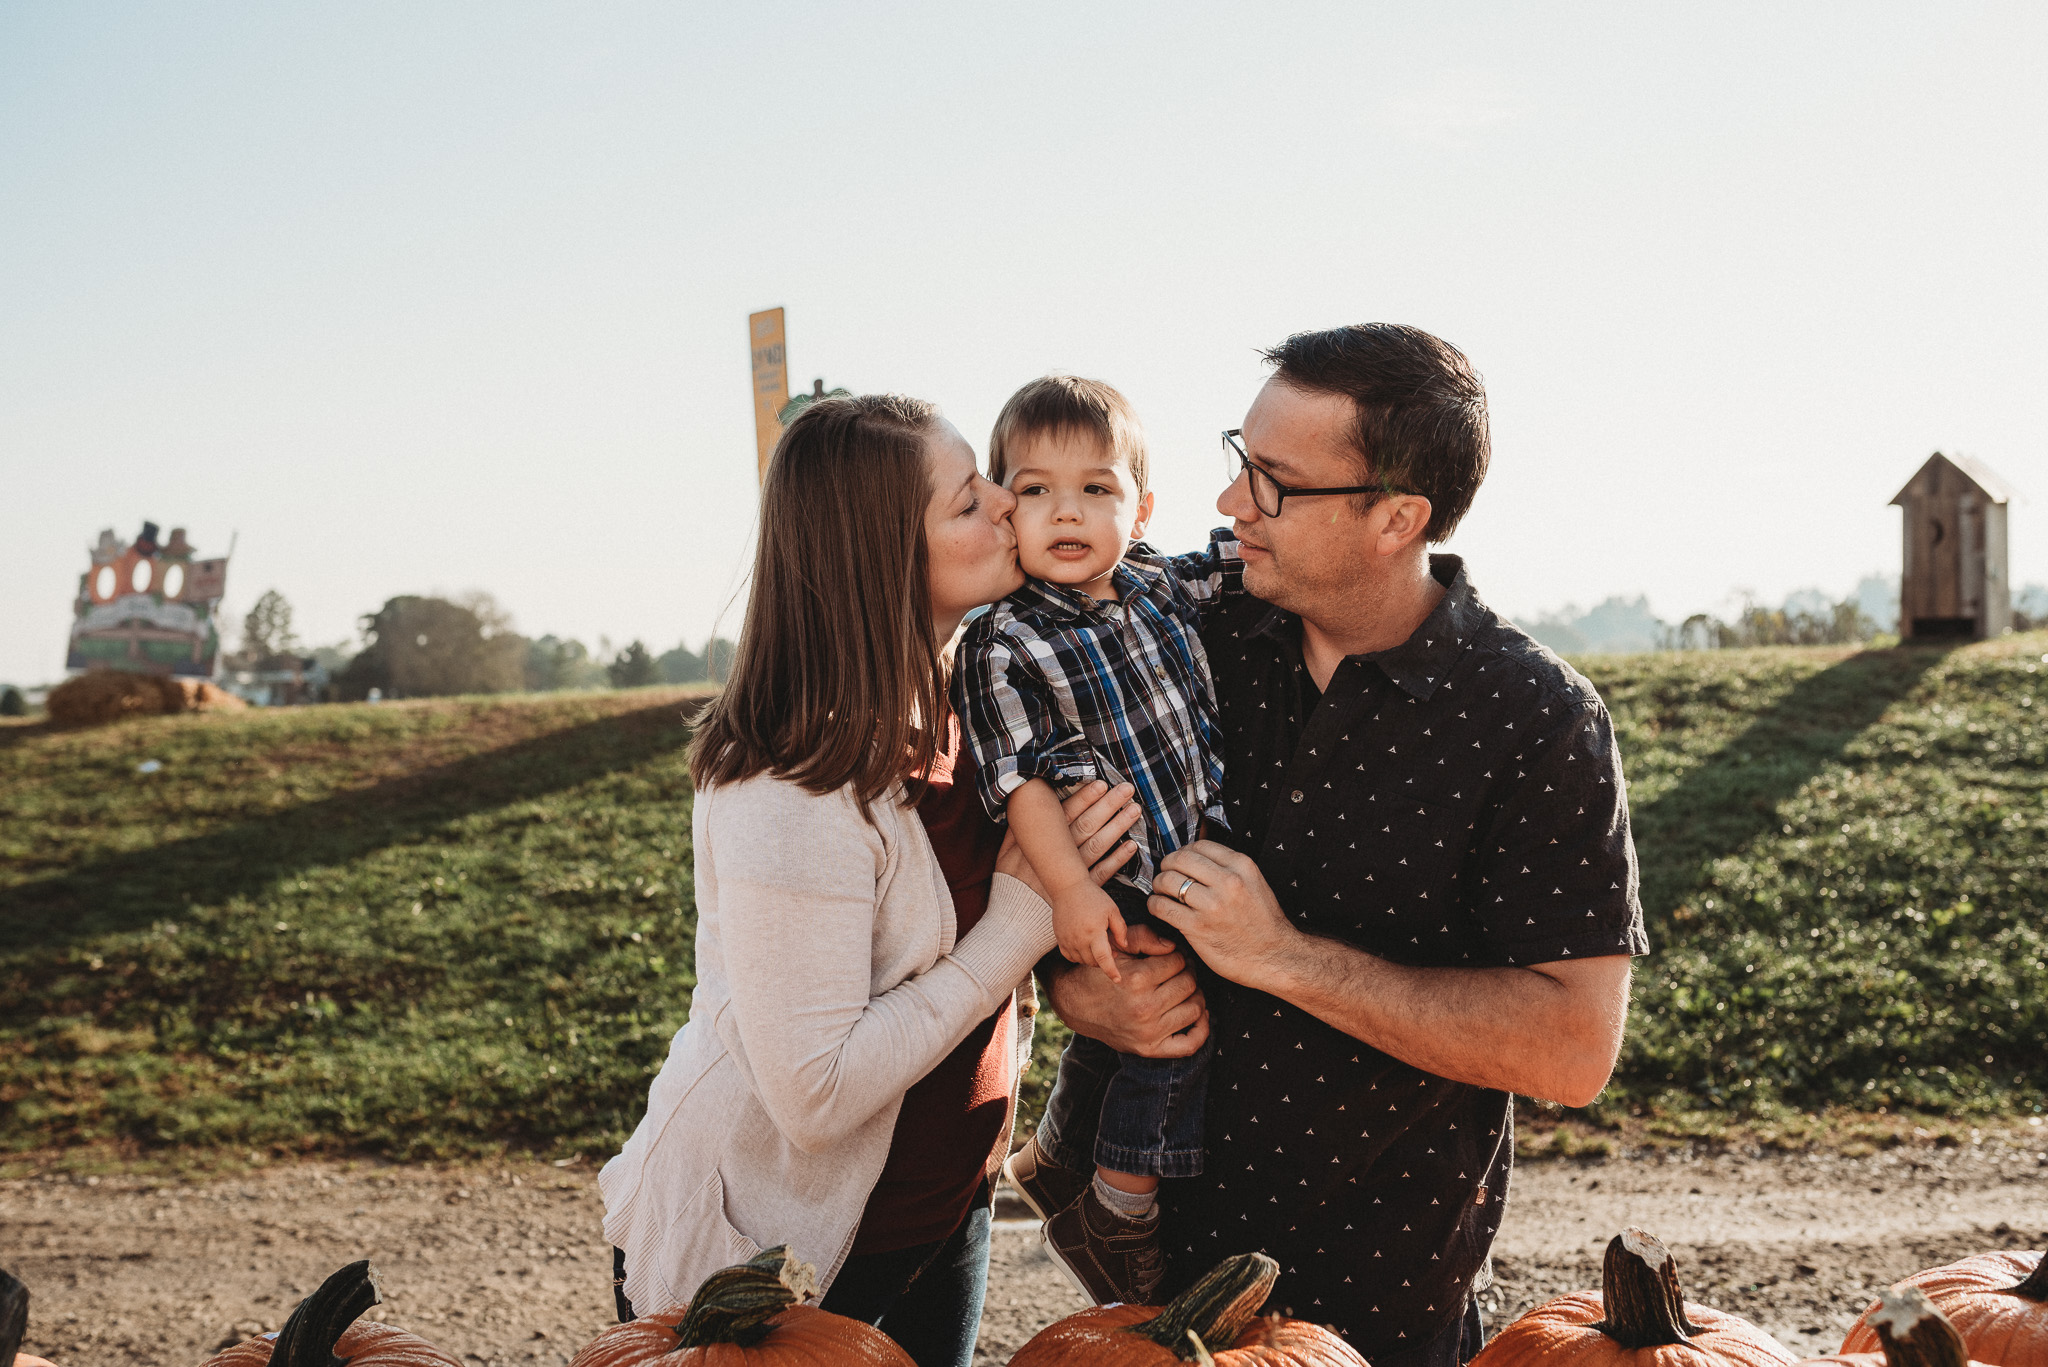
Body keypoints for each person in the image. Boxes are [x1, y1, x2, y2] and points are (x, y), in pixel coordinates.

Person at [1042, 324, 1649, 1367]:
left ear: (1395, 517)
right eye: (1242, 459)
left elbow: (1570, 1046)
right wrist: (1076, 989)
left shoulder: (1532, 716)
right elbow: (1032, 813)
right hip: (1136, 1293)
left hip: (1380, 1302)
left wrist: (1280, 955)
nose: (1232, 502)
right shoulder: (1174, 624)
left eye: (1274, 482)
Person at [599, 394, 1144, 1367]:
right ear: (886, 554)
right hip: (785, 1245)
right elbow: (815, 1089)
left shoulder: (965, 702)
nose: (1006, 507)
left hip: (939, 1203)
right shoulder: (789, 787)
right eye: (967, 499)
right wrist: (1017, 927)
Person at [950, 375, 1238, 1305]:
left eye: (1097, 489)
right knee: (1168, 1024)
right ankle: (1121, 1201)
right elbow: (1017, 781)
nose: (1065, 512)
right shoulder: (1003, 638)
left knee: (1161, 1020)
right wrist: (1072, 892)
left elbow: (1234, 561)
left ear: (1141, 506)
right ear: (1004, 510)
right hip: (1106, 872)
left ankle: (1064, 1153)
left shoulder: (1156, 580)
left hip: (1196, 852)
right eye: (1034, 490)